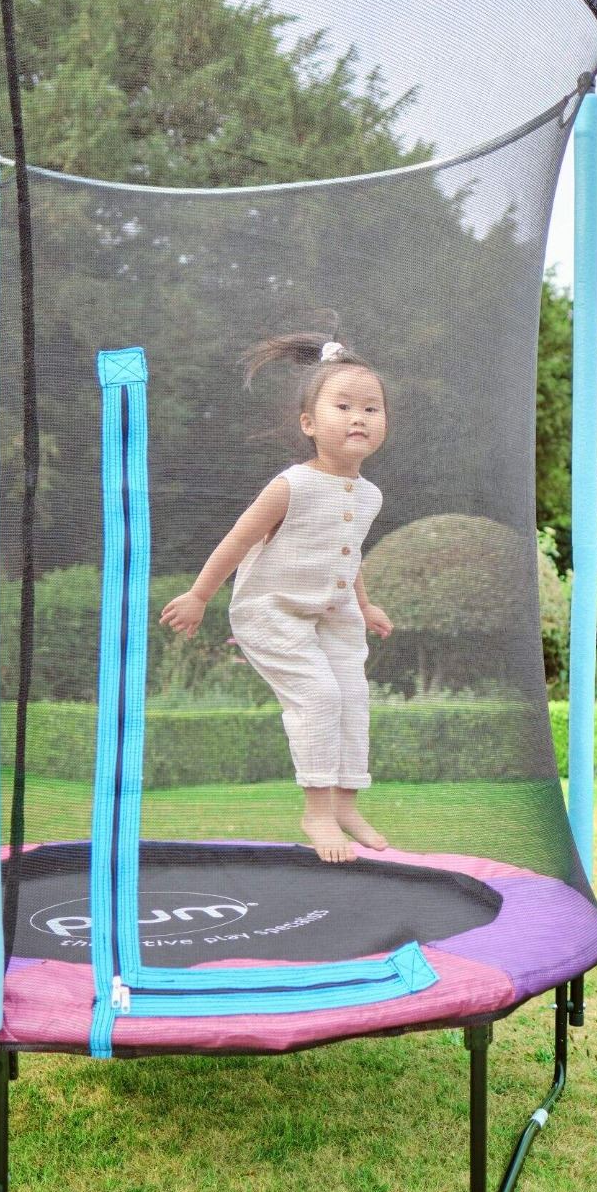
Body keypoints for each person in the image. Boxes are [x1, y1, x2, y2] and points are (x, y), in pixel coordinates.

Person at [160, 329, 393, 863]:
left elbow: (347, 551)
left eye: (371, 408)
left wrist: (365, 604)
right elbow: (238, 540)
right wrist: (199, 596)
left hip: (332, 611)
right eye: (343, 407)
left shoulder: (370, 495)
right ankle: (317, 812)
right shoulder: (293, 485)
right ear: (309, 423)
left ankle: (346, 803)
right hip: (272, 611)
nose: (359, 418)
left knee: (353, 697)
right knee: (319, 697)